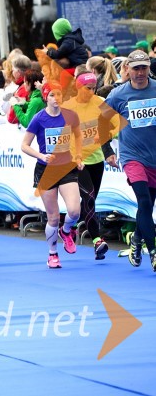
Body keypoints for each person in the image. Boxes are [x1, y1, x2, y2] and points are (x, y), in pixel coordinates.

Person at [102, 50, 156, 270]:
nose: (140, 73)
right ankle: (153, 253)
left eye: (144, 67)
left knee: (148, 207)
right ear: (128, 70)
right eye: (136, 68)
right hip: (133, 157)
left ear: (148, 68)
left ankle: (136, 239)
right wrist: (107, 151)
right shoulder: (118, 95)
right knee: (143, 201)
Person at [21, 83, 84, 268]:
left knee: (74, 211)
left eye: (59, 95)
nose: (56, 99)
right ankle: (52, 253)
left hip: (66, 167)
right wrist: (41, 155)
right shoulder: (39, 119)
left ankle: (66, 231)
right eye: (51, 96)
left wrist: (79, 156)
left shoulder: (70, 116)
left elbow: (79, 137)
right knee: (53, 217)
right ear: (45, 98)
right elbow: (24, 145)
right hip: (46, 170)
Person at [62, 72, 113, 259]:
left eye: (93, 88)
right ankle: (97, 240)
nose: (91, 92)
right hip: (77, 162)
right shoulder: (68, 106)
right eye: (87, 88)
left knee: (89, 200)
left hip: (96, 159)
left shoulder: (100, 101)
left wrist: (109, 149)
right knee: (89, 198)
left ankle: (70, 227)